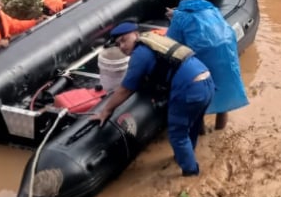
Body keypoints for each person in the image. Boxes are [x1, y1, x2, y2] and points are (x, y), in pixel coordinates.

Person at [91, 22, 215, 177]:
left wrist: (106, 110)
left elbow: (125, 89)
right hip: (207, 81)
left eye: (124, 40)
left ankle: (191, 174)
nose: (122, 46)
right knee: (192, 125)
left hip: (189, 89)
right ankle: (185, 156)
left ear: (135, 35)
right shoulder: (154, 40)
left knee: (177, 135)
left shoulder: (140, 54)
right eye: (118, 44)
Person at [164, 0, 248, 131]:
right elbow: (196, 17)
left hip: (203, 61)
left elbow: (170, 42)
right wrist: (176, 15)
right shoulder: (213, 10)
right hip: (227, 57)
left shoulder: (180, 18)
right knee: (224, 97)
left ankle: (201, 135)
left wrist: (174, 19)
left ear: (181, 0)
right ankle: (220, 132)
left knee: (200, 102)